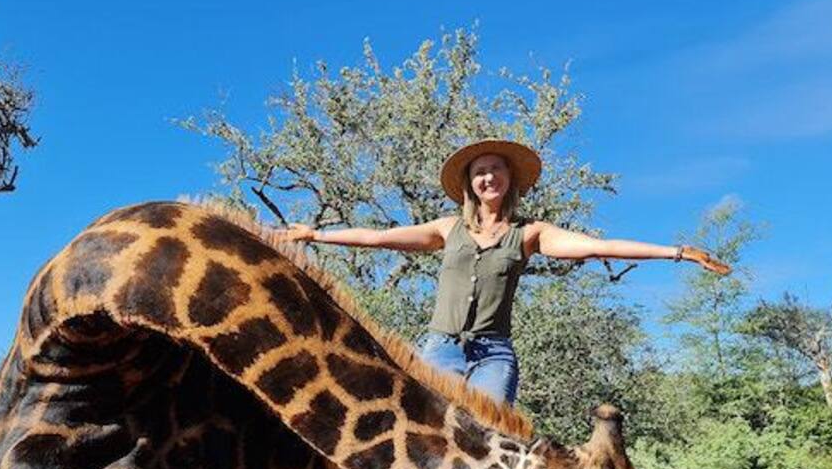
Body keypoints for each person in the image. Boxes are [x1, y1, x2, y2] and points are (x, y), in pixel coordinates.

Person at [279, 138, 730, 406]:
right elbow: (380, 237)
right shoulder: (446, 228)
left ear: (509, 179)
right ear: (470, 184)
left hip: (493, 353)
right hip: (440, 350)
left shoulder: (530, 233)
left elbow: (598, 248)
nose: (488, 178)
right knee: (431, 428)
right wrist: (316, 235)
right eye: (479, 172)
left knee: (492, 431)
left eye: (495, 170)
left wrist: (675, 252)